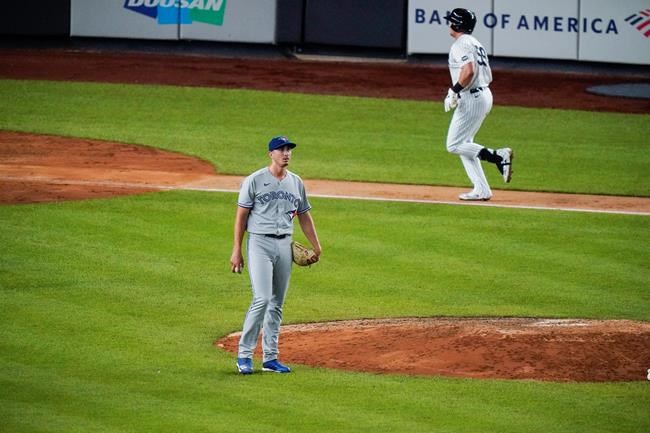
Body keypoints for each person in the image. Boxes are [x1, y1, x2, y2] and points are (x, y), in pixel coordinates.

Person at [230, 135, 321, 374]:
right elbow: (241, 217)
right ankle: (244, 355)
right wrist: (236, 250)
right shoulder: (255, 180)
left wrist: (316, 245)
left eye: (289, 149)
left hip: (284, 245)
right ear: (271, 154)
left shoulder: (296, 182)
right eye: (281, 149)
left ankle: (270, 358)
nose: (286, 153)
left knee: (277, 303)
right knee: (262, 298)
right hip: (259, 243)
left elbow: (304, 215)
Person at [443, 8, 514, 201]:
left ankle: (497, 156)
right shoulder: (474, 42)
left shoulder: (461, 44)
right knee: (465, 144)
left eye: (451, 21)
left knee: (454, 145)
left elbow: (469, 71)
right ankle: (482, 190)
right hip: (482, 95)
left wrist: (454, 90)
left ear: (457, 24)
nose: (448, 23)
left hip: (472, 98)